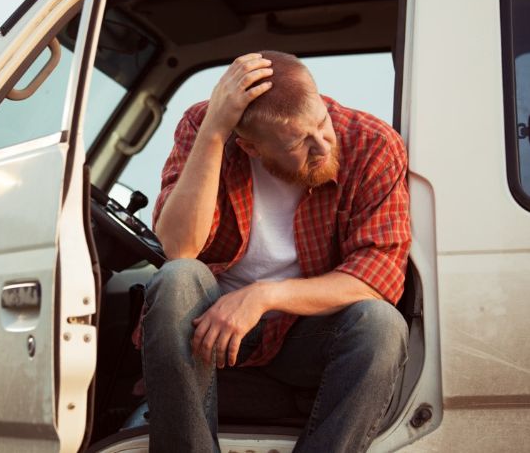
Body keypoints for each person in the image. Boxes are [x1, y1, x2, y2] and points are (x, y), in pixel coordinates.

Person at [140, 51, 411, 452]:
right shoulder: (205, 126)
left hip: (305, 333)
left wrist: (264, 296)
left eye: (322, 122)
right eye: (301, 141)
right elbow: (181, 248)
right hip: (212, 331)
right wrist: (214, 131)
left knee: (381, 324)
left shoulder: (371, 143)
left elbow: (379, 275)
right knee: (177, 278)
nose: (323, 145)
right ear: (250, 147)